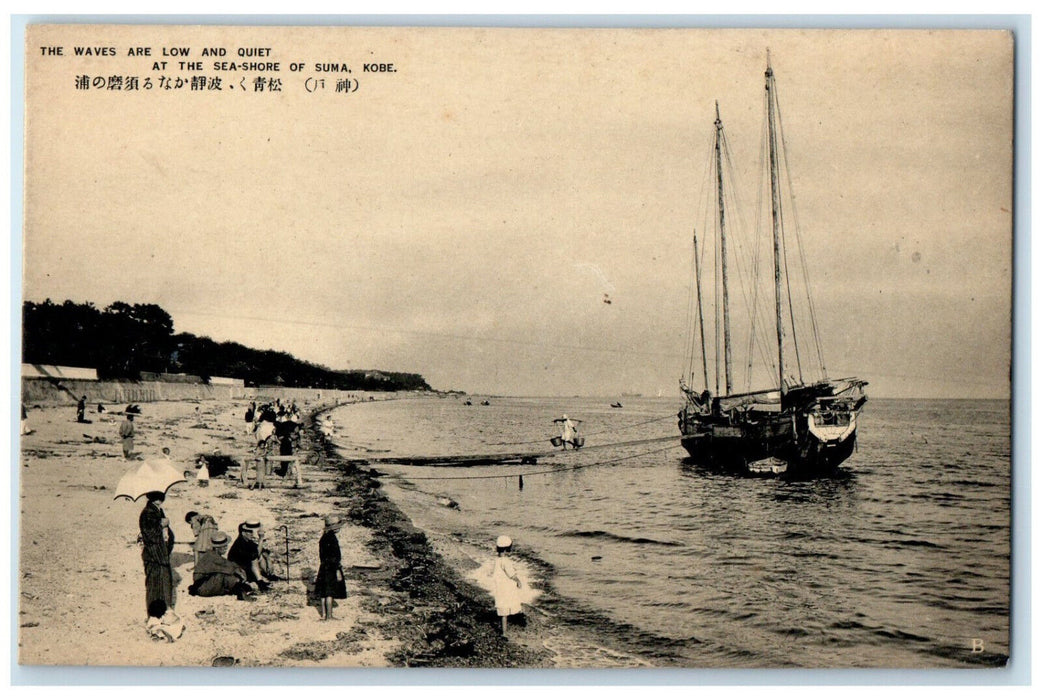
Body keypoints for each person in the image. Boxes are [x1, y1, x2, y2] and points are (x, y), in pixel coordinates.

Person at [139, 491, 175, 616]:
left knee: (162, 584)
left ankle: (162, 613)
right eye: (157, 497)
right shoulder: (148, 512)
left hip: (159, 553)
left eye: (161, 497)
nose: (160, 499)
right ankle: (154, 615)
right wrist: (161, 524)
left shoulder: (157, 510)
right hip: (154, 554)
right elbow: (149, 533)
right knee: (154, 586)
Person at [189, 531, 254, 600]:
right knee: (227, 576)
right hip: (203, 587)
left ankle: (239, 589)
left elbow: (229, 564)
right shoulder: (213, 557)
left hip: (204, 584)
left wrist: (238, 570)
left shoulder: (212, 555)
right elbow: (229, 567)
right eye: (224, 546)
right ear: (217, 548)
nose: (226, 548)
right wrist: (239, 572)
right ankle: (240, 591)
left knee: (228, 576)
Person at [489, 535, 524, 636]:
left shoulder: (497, 560)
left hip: (499, 586)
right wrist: (518, 581)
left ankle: (504, 631)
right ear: (506, 549)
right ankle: (505, 632)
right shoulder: (505, 561)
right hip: (505, 587)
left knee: (502, 609)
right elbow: (511, 574)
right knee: (507, 604)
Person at [315, 514, 347, 621]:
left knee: (323, 592)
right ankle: (329, 616)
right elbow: (334, 557)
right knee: (330, 592)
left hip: (323, 566)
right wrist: (337, 569)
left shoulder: (323, 538)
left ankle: (324, 614)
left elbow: (322, 555)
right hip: (331, 567)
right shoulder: (332, 539)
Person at [228, 522, 272, 591]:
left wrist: (268, 559)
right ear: (243, 533)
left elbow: (261, 551)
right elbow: (255, 556)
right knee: (255, 559)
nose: (252, 534)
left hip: (247, 568)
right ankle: (260, 581)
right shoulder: (239, 544)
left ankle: (268, 574)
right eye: (249, 532)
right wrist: (261, 539)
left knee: (261, 556)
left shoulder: (248, 541)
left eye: (252, 532)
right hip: (240, 571)